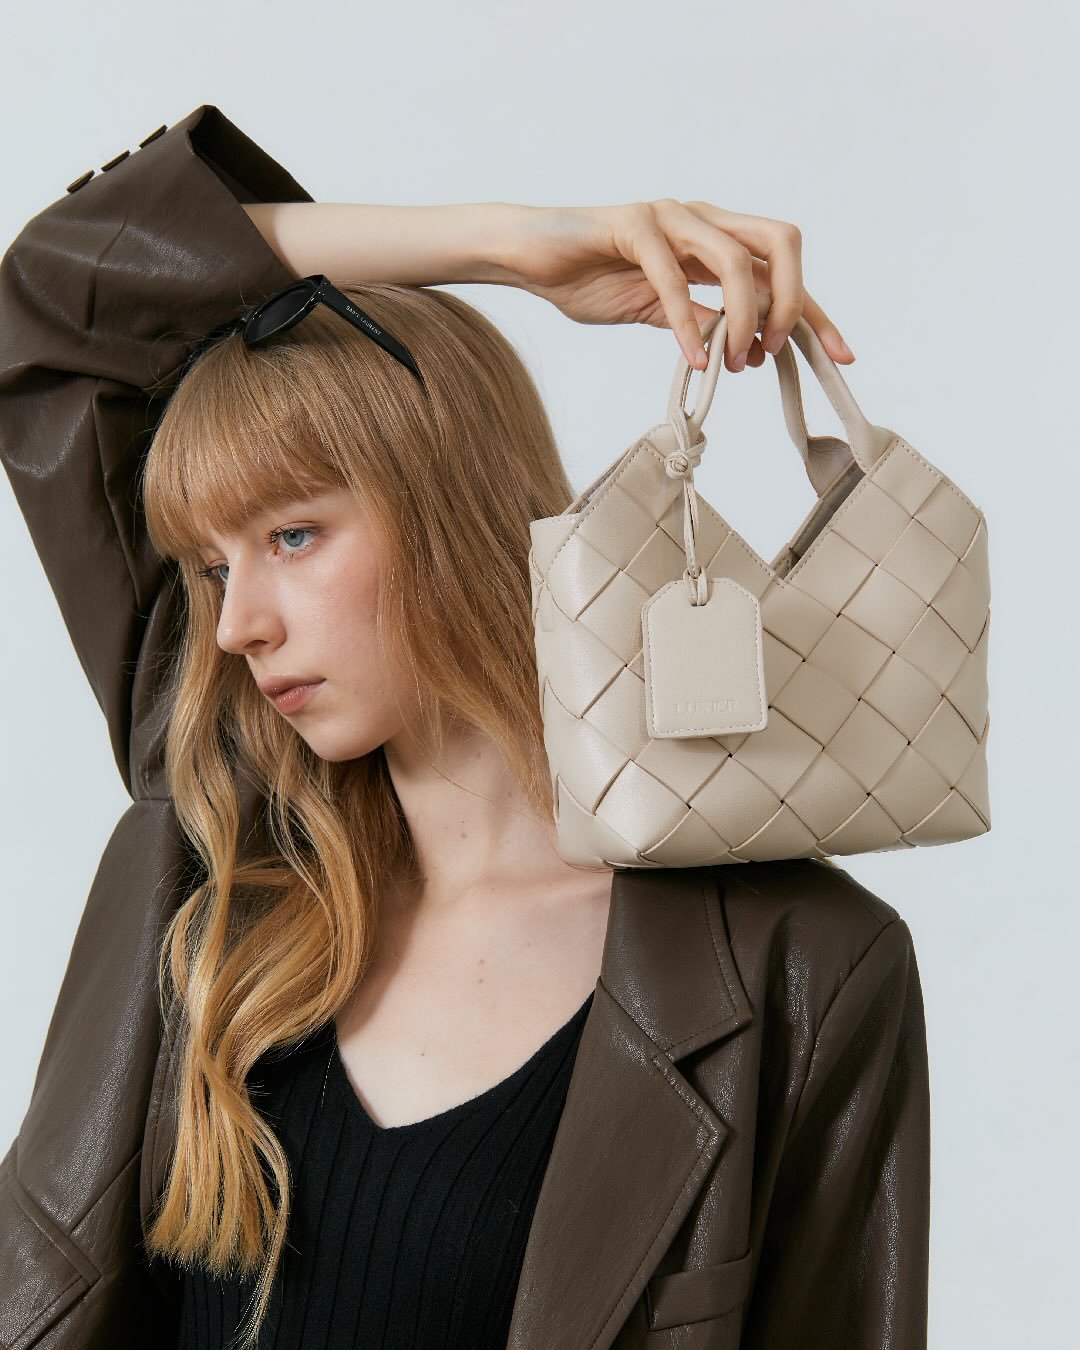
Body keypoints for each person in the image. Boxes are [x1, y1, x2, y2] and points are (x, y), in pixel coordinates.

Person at [0, 105, 929, 1350]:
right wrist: (510, 246)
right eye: (212, 568)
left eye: (292, 536)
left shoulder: (802, 970)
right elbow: (59, 298)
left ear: (455, 508)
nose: (236, 627)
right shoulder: (222, 847)